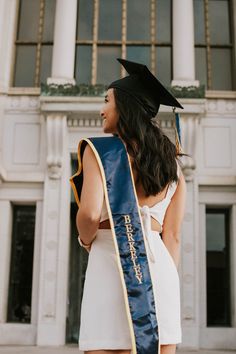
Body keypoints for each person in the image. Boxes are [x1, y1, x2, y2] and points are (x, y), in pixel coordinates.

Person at [70, 59, 186, 354]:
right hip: (160, 272)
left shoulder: (102, 152)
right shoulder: (172, 165)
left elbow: (90, 214)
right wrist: (160, 281)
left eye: (106, 101)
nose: (101, 109)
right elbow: (172, 237)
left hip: (112, 262)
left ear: (125, 106)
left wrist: (86, 241)